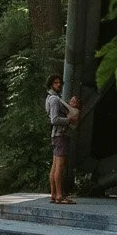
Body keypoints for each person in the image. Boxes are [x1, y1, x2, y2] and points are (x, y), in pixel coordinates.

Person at [46, 73, 80, 204]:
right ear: (51, 84)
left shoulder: (51, 97)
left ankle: (54, 194)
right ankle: (59, 195)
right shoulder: (54, 99)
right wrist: (69, 119)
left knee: (55, 166)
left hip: (56, 135)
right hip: (60, 135)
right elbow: (54, 119)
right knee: (59, 166)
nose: (58, 85)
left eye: (59, 82)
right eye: (55, 83)